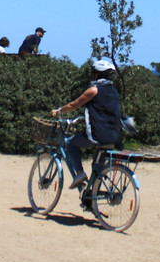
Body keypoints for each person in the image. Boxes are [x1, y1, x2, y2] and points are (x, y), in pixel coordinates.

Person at [50, 58, 122, 190]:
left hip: (98, 135)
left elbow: (73, 105)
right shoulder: (114, 91)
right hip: (114, 136)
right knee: (97, 167)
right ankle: (91, 197)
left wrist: (59, 111)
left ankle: (79, 173)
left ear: (95, 74)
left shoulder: (94, 90)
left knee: (70, 143)